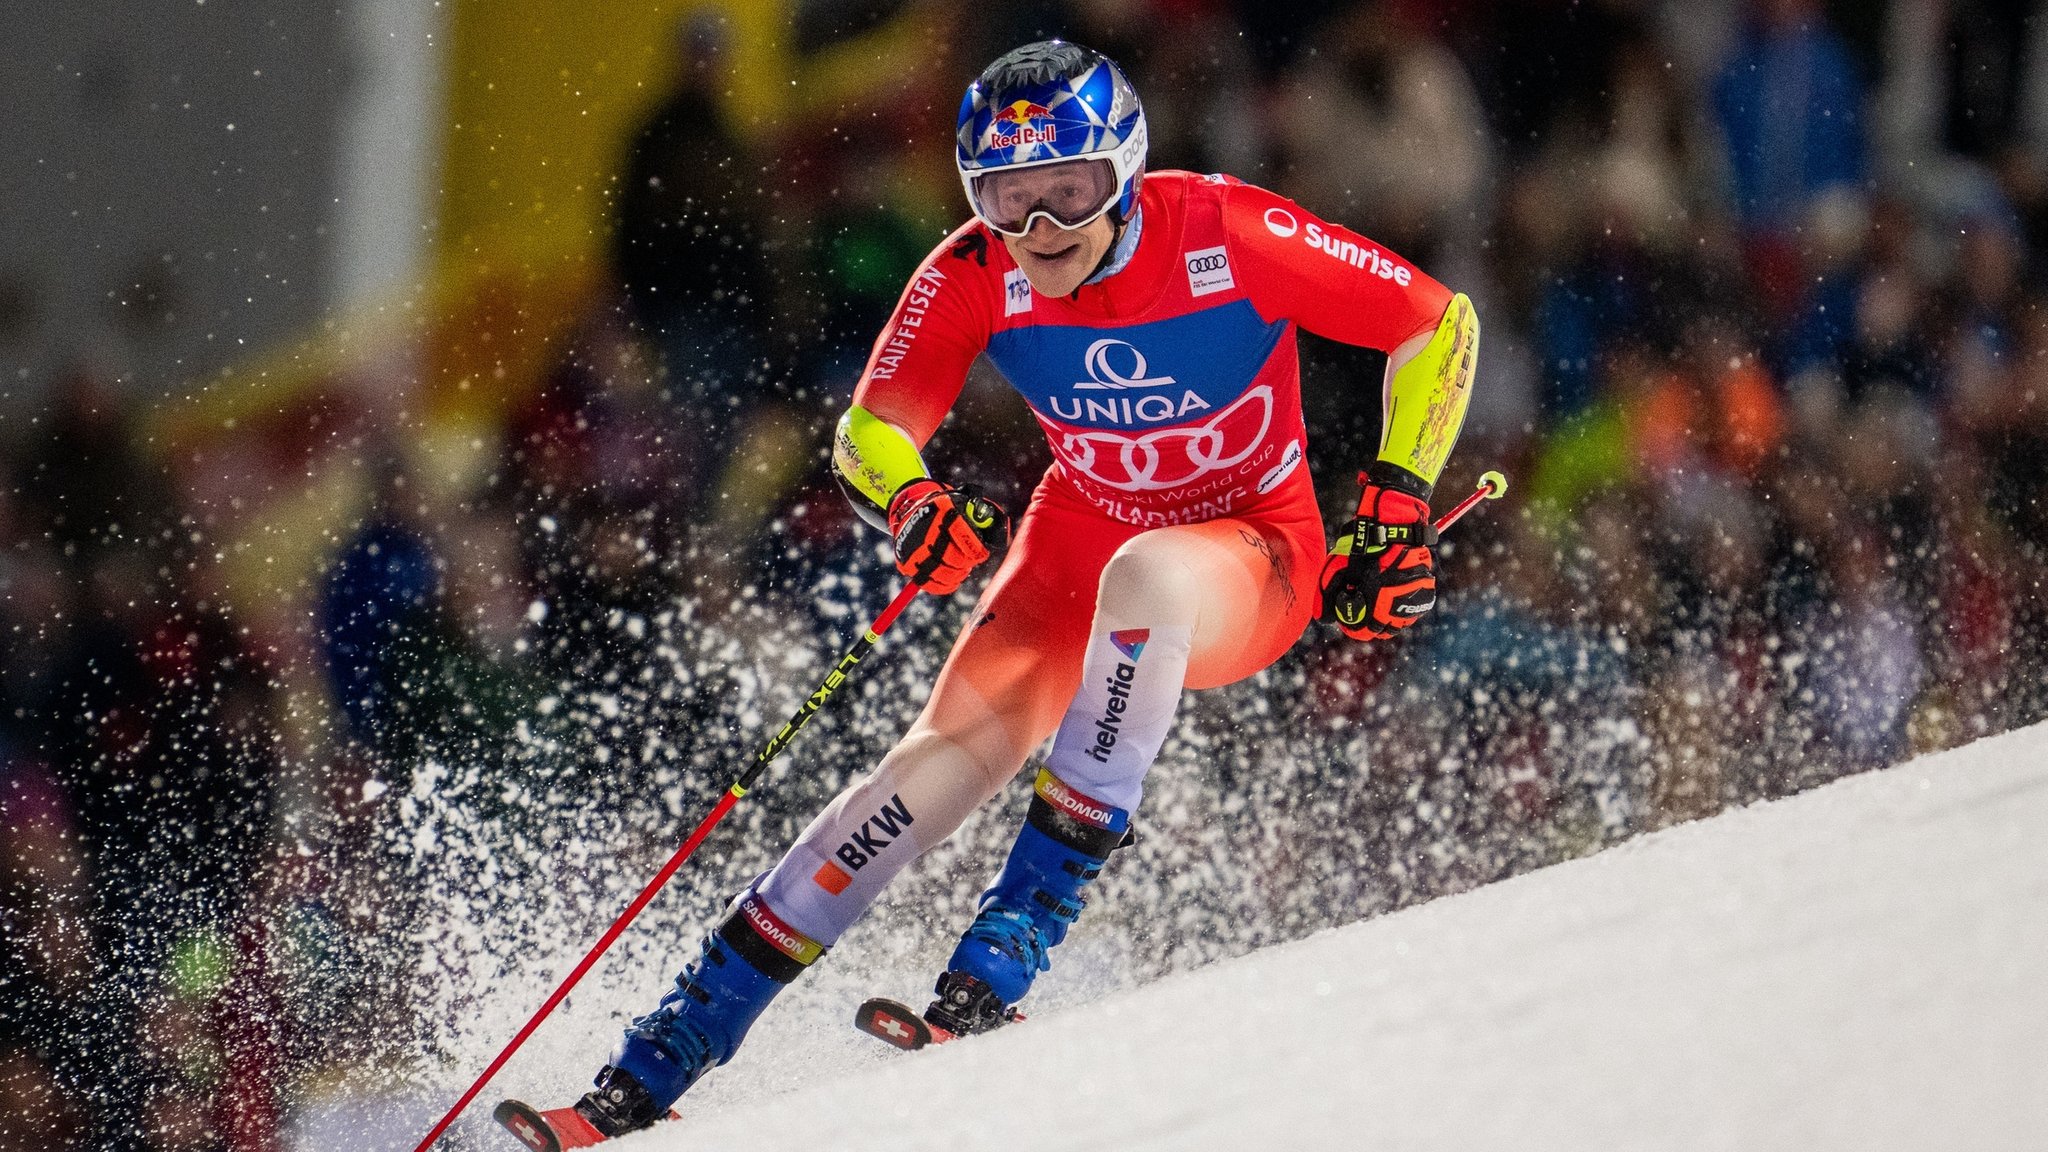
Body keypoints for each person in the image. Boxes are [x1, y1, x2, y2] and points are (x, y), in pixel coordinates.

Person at [557, 39, 1478, 1140]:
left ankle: (1017, 932)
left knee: (1147, 576)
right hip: (1070, 547)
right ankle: (661, 1056)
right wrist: (909, 504)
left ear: (1123, 175)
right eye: (1006, 198)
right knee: (916, 785)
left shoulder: (1222, 231)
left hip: (1249, 552)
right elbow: (868, 430)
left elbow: (1436, 322)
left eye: (1068, 193)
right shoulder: (970, 272)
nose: (1039, 230)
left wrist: (1395, 498)